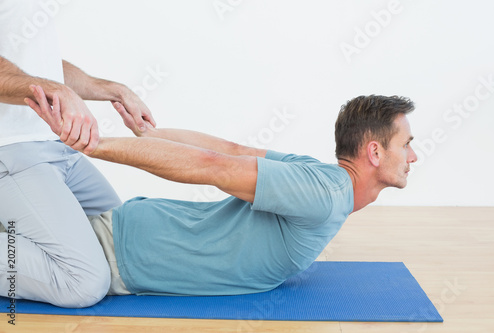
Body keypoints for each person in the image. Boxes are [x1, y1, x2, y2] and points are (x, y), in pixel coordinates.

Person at [24, 86, 418, 307]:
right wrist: (94, 146)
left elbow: (230, 149)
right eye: (407, 145)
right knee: (80, 290)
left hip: (130, 230)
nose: (413, 156)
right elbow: (214, 165)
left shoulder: (319, 175)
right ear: (374, 152)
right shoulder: (325, 195)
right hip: (118, 256)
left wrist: (149, 135)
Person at [0, 0, 155, 308]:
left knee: (124, 250)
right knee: (82, 282)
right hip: (12, 150)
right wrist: (61, 93)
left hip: (57, 148)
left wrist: (112, 88)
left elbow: (39, 68)